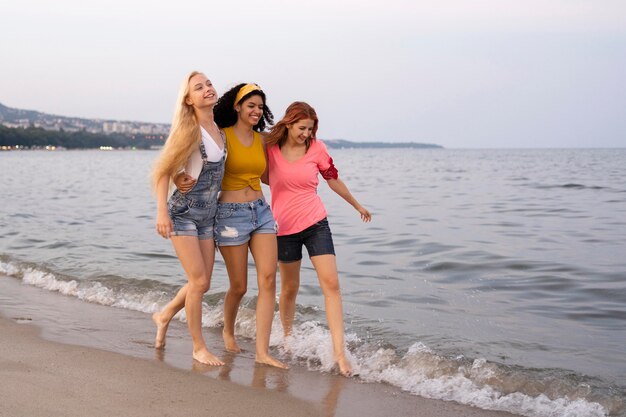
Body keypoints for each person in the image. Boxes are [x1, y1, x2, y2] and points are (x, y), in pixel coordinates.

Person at [265, 102, 371, 377]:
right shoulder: (270, 149)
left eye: (310, 129)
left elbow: (332, 179)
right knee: (289, 288)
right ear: (288, 124)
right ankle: (287, 338)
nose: (306, 133)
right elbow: (256, 175)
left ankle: (339, 352)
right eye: (302, 128)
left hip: (316, 224)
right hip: (283, 229)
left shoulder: (317, 148)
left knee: (332, 284)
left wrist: (356, 205)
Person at [151, 71, 225, 366]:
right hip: (182, 214)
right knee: (197, 281)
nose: (207, 89)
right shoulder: (189, 130)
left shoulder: (219, 128)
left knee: (203, 283)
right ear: (189, 99)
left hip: (208, 215)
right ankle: (198, 347)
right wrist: (161, 213)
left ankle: (164, 314)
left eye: (208, 83)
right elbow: (163, 172)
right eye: (199, 87)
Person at [211, 83, 287, 369]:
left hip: (261, 212)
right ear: (237, 107)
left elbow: (268, 177)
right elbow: (205, 167)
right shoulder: (223, 136)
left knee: (268, 280)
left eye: (260, 106)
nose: (256, 111)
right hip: (230, 215)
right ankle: (228, 330)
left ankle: (262, 351)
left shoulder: (262, 140)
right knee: (239, 286)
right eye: (251, 105)